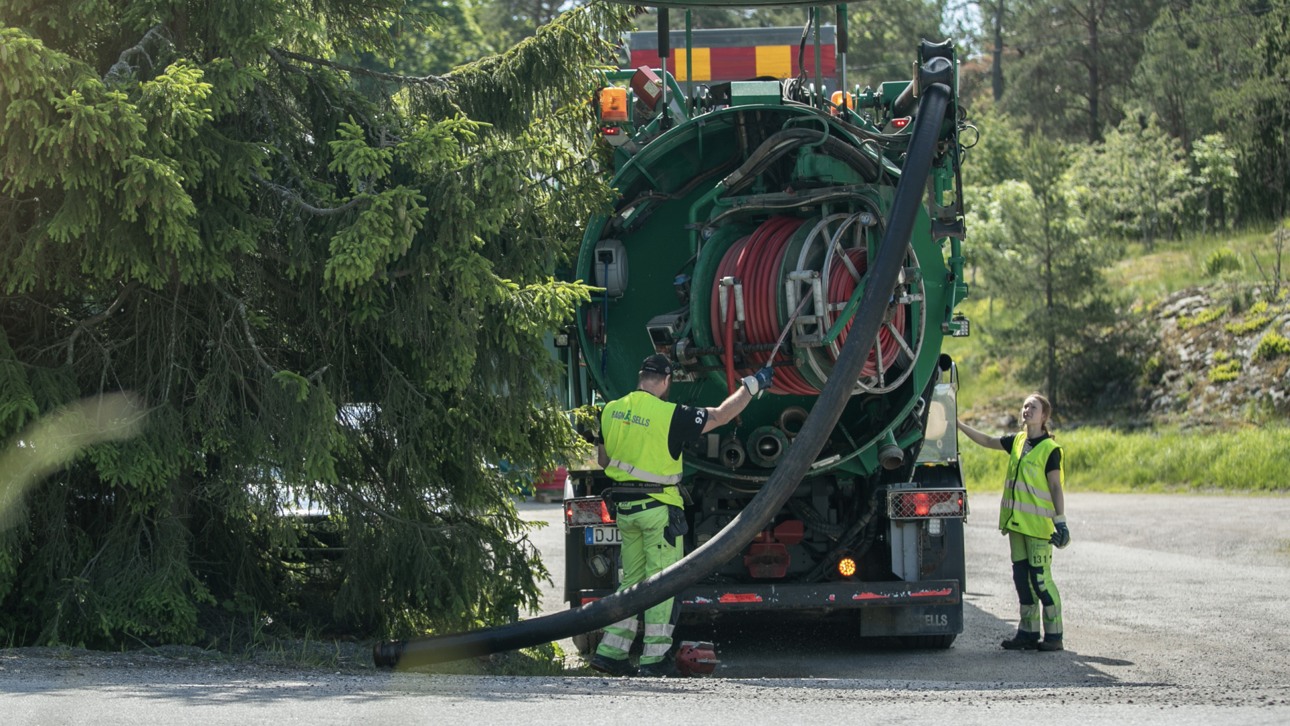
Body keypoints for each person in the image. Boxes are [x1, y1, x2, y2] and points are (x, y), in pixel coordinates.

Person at [588, 353, 772, 677]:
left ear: (640, 377)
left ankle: (611, 653)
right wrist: (752, 386)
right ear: (666, 381)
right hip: (658, 512)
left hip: (626, 511)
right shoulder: (670, 414)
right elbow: (721, 415)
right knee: (663, 585)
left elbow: (603, 460)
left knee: (630, 582)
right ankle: (653, 660)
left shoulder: (611, 410)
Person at [958, 393, 1071, 652]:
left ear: (1044, 417)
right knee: (1022, 581)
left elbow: (1055, 486)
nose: (1027, 409)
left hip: (1039, 528)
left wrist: (1061, 522)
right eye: (1025, 406)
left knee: (1041, 581)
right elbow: (987, 440)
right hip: (1017, 526)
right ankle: (1028, 633)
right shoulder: (1018, 441)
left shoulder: (1050, 450)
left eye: (1033, 406)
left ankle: (1054, 636)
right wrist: (960, 425)